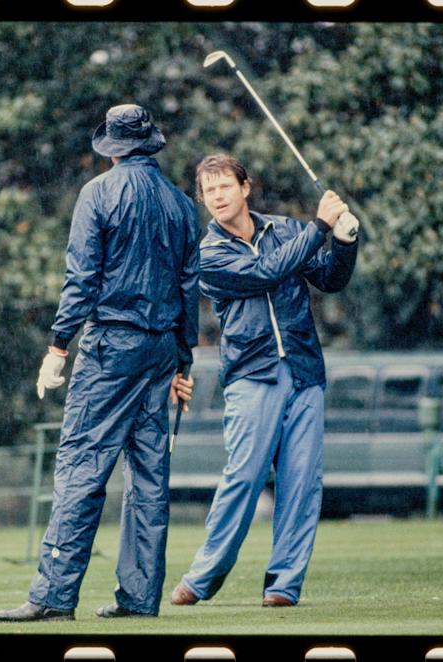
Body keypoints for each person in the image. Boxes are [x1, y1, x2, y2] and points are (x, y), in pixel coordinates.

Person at [0, 104, 200, 622]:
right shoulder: (180, 204)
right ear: (149, 144)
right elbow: (188, 287)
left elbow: (82, 279)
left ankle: (53, 597)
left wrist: (58, 347)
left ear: (111, 148)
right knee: (149, 476)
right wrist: (184, 361)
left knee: (82, 465)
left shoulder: (98, 193)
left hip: (112, 346)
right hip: (161, 352)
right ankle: (139, 598)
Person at [169, 153, 358, 609]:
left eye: (224, 187)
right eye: (208, 191)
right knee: (245, 475)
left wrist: (345, 240)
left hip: (305, 373)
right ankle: (204, 575)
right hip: (252, 375)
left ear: (245, 187)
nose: (217, 197)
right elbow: (263, 273)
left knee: (301, 482)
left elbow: (329, 278)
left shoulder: (286, 230)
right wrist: (318, 227)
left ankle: (283, 586)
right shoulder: (208, 254)